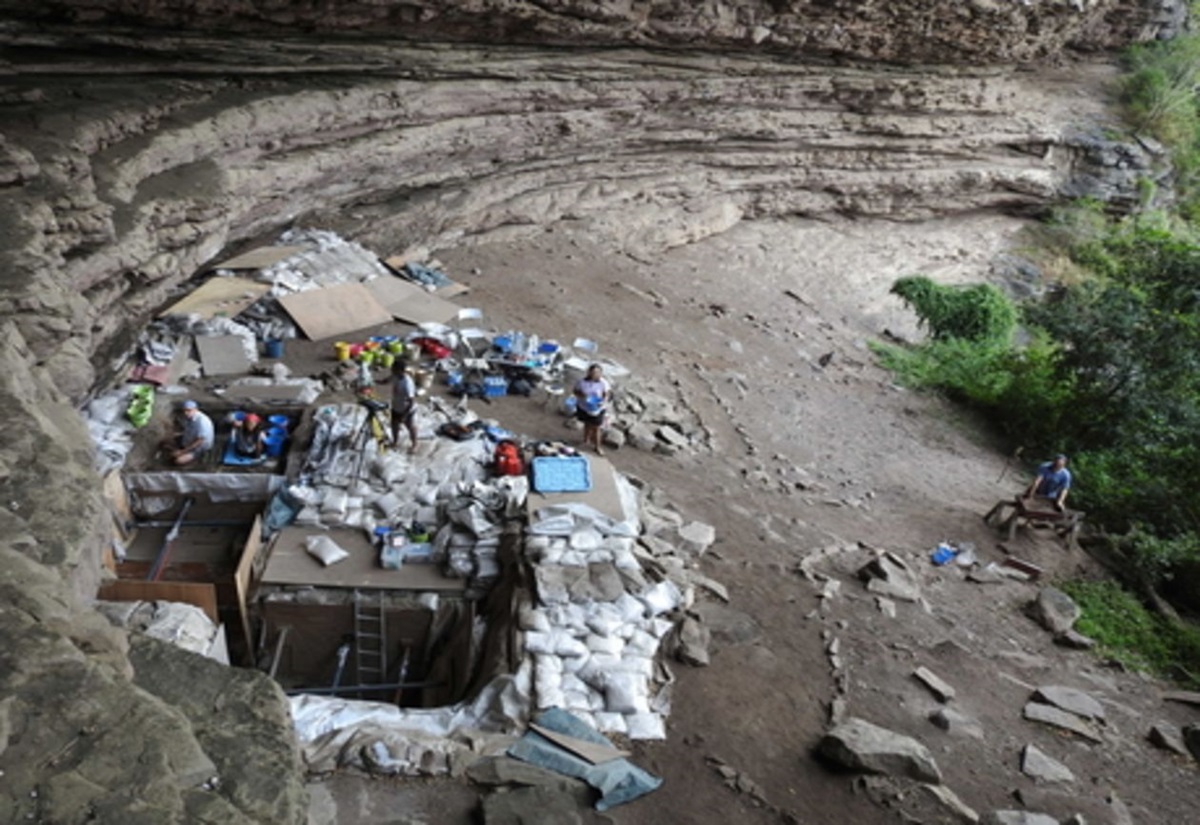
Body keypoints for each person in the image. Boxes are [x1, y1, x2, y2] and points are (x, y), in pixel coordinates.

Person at [573, 363, 612, 455]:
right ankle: (586, 440)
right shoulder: (582, 382)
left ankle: (597, 446)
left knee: (596, 427)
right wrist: (583, 396)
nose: (595, 374)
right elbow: (576, 391)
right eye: (593, 372)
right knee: (587, 424)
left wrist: (603, 401)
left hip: (598, 408)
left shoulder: (603, 383)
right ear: (589, 372)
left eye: (598, 372)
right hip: (584, 406)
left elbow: (608, 394)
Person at [163, 399, 214, 466]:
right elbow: (187, 429)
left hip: (200, 447)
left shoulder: (202, 422)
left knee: (178, 461)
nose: (186, 413)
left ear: (195, 409)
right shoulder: (189, 417)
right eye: (184, 410)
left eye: (189, 410)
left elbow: (199, 442)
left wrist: (182, 452)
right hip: (189, 438)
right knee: (165, 443)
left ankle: (195, 457)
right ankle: (178, 449)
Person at [390, 358, 418, 454]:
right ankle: (395, 442)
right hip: (396, 406)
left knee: (410, 426)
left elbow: (411, 402)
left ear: (400, 370)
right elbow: (389, 378)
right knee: (394, 425)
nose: (392, 371)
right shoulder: (396, 376)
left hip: (406, 409)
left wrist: (404, 415)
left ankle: (415, 444)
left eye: (394, 369)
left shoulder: (407, 383)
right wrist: (379, 382)